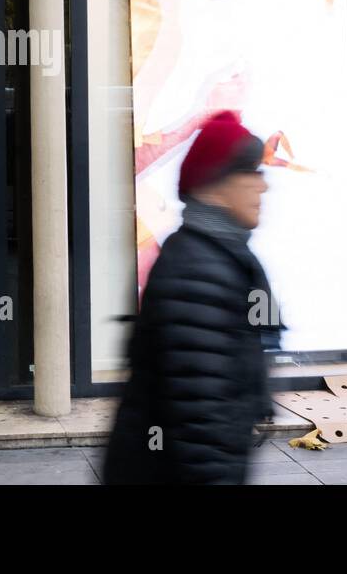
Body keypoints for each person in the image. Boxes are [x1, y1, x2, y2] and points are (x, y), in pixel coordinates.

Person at [104, 110, 283, 484]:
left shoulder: (227, 259)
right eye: (250, 173)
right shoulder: (199, 270)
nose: (262, 186)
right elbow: (200, 414)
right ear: (216, 185)